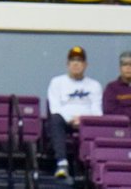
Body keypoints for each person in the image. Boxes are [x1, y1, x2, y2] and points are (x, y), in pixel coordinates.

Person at [46, 46, 103, 180]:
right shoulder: (57, 82)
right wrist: (71, 120)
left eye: (80, 61)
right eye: (73, 61)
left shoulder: (94, 85)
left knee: (100, 125)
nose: (76, 64)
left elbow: (97, 111)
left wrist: (82, 120)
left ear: (86, 65)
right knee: (55, 119)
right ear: (67, 64)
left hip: (87, 123)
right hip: (64, 122)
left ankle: (92, 167)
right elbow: (55, 108)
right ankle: (62, 164)